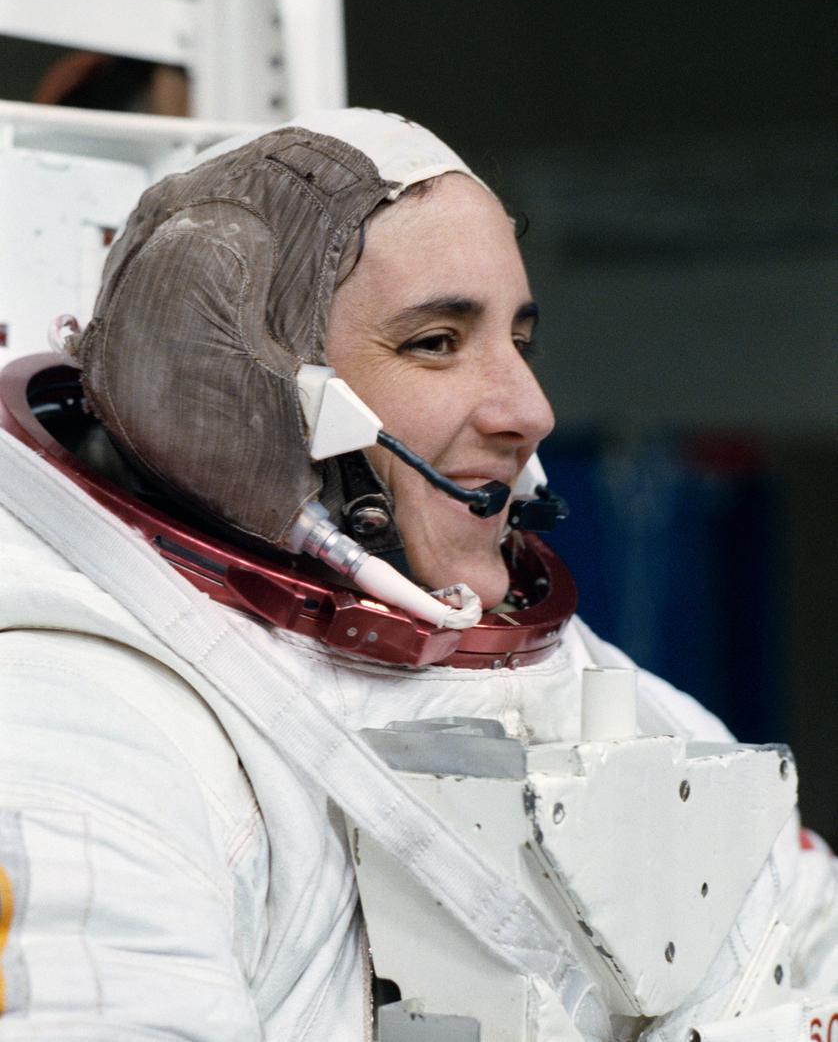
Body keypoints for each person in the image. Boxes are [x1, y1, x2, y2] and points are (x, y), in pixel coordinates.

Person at [0, 108, 834, 1041]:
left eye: (520, 338)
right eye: (436, 341)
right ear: (247, 407)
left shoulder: (634, 705)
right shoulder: (89, 735)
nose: (532, 409)